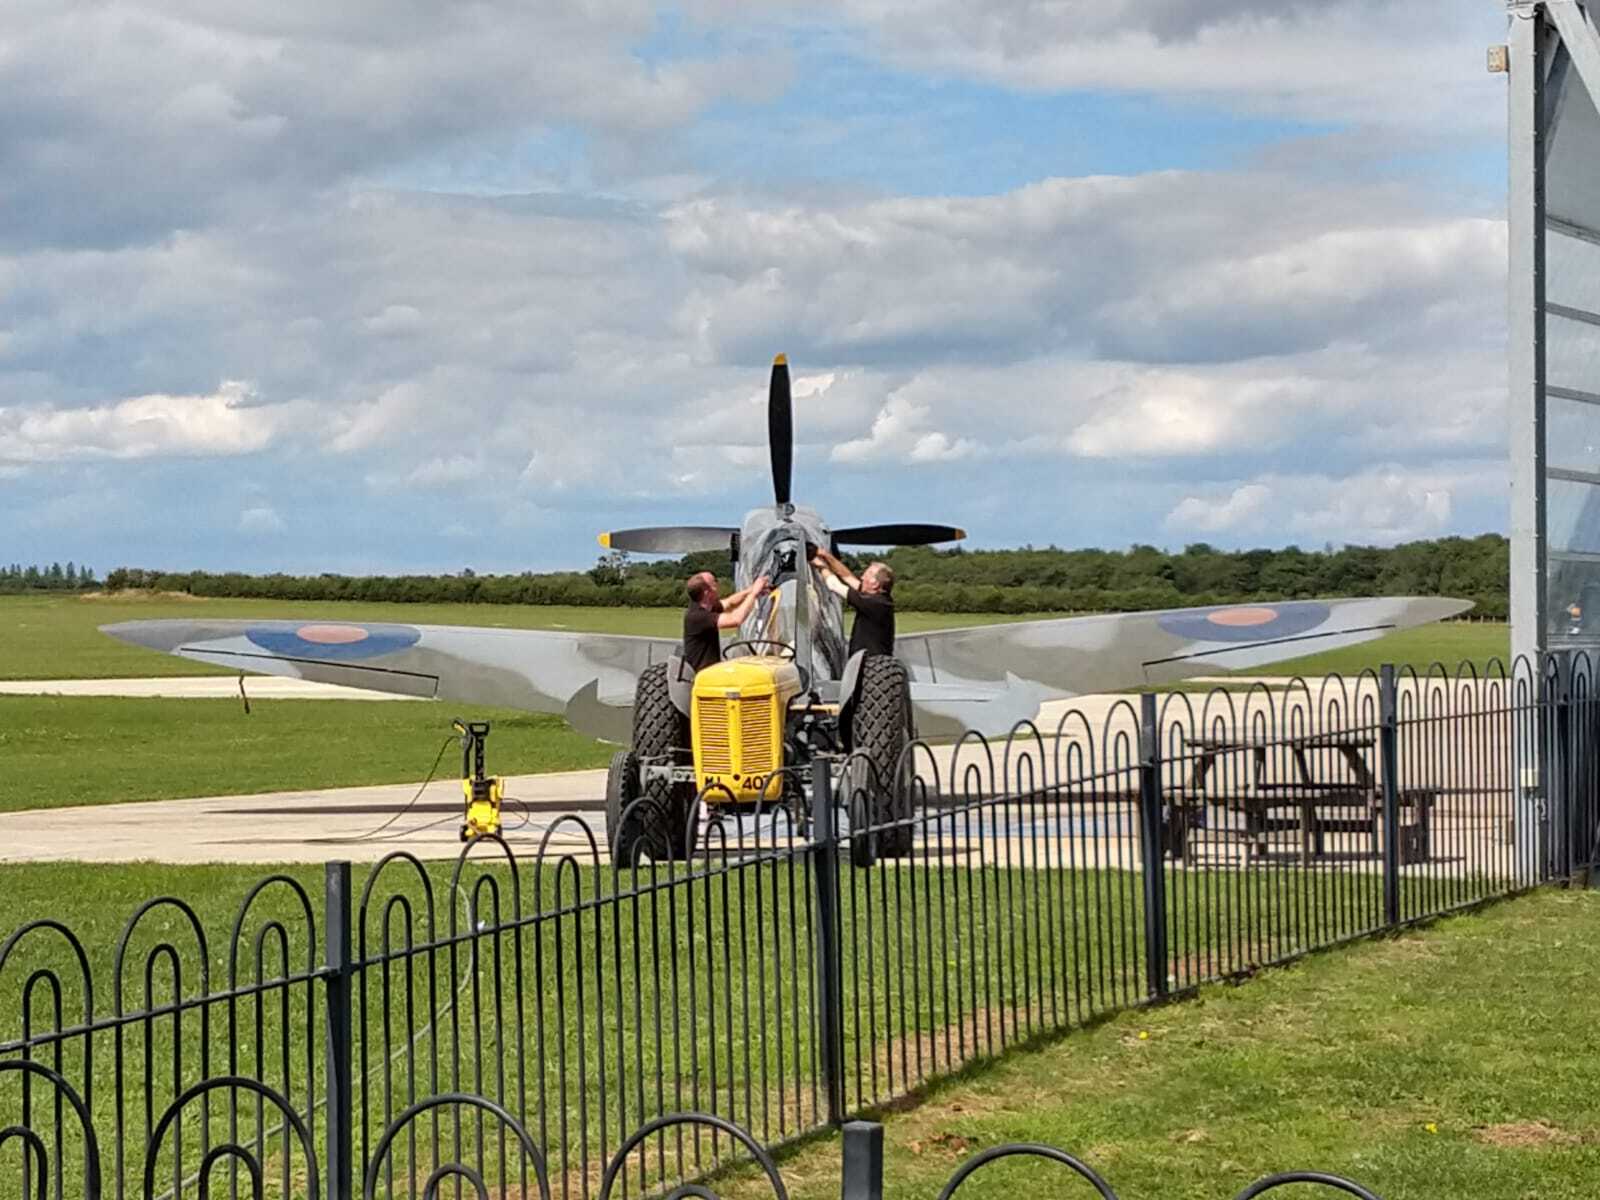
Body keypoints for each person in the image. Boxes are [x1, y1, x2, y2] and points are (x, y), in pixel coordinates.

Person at [810, 546, 895, 658]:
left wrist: (821, 566)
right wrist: (825, 554)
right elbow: (847, 576)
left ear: (875, 584)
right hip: (870, 665)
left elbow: (834, 585)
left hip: (870, 668)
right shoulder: (877, 598)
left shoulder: (875, 603)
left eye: (867, 575)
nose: (862, 577)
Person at [682, 571, 770, 673]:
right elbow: (736, 619)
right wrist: (754, 593)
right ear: (707, 592)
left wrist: (750, 591)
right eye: (714, 583)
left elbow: (729, 603)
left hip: (711, 672)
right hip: (704, 677)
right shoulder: (696, 616)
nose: (717, 586)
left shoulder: (707, 607)